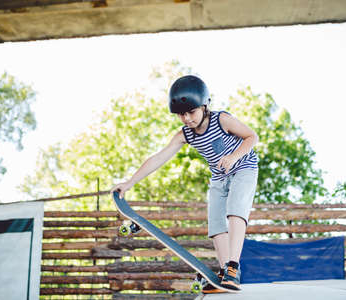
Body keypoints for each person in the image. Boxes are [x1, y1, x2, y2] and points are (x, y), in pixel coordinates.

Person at [111, 75, 259, 293]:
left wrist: (234, 157)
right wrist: (130, 182)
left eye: (192, 112)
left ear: (204, 106)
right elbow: (159, 158)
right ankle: (224, 271)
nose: (187, 118)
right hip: (219, 176)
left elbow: (251, 136)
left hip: (244, 167)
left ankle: (233, 268)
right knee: (216, 222)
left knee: (235, 211)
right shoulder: (185, 134)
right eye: (182, 114)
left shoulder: (222, 120)